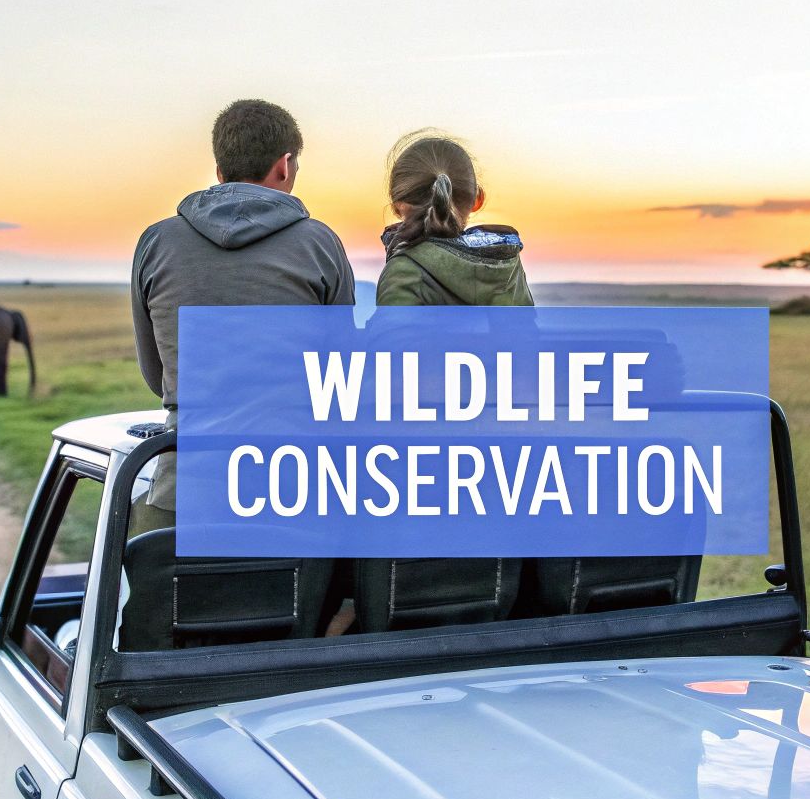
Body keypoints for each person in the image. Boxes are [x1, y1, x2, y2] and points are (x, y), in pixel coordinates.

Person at [130, 99, 355, 516]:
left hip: (185, 491)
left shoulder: (156, 242)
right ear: (284, 165)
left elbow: (156, 375)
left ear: (220, 171)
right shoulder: (320, 244)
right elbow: (339, 379)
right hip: (293, 491)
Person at [376, 131, 532, 307]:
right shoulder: (506, 265)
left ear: (397, 206)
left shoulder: (404, 272)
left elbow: (394, 325)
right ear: (477, 199)